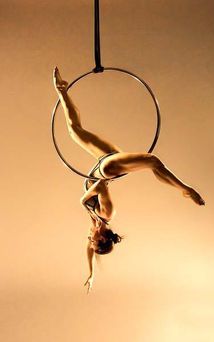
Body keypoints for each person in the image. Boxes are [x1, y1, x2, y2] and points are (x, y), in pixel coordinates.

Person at [53, 67, 205, 293]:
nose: (89, 238)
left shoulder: (94, 223)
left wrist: (91, 273)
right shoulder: (107, 213)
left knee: (74, 131)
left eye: (91, 241)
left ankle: (61, 90)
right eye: (94, 240)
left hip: (101, 160)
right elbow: (101, 185)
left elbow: (89, 250)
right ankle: (185, 189)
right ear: (103, 236)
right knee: (152, 161)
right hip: (107, 168)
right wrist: (84, 198)